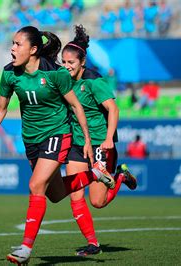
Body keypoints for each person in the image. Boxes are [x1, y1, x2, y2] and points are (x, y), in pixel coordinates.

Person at [0, 26, 115, 265]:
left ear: (34, 49)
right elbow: (1, 109)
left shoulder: (55, 74)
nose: (12, 48)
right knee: (55, 194)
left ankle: (25, 249)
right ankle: (94, 175)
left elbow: (77, 107)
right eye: (13, 43)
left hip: (57, 134)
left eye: (18, 44)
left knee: (35, 185)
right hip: (31, 139)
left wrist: (88, 142)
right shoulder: (9, 74)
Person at [61, 25, 137, 256]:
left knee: (97, 202)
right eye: (63, 62)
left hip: (100, 145)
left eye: (70, 63)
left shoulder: (94, 80)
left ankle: (121, 176)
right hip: (77, 143)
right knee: (74, 194)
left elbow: (113, 110)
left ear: (82, 62)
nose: (66, 67)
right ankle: (93, 244)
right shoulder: (64, 80)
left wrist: (108, 140)